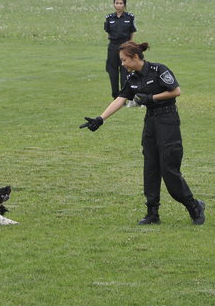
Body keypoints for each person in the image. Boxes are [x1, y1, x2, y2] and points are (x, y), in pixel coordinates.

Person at [80, 41, 206, 225]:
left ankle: (194, 206)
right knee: (150, 168)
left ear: (135, 57)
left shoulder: (158, 70)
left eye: (124, 60)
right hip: (151, 123)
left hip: (167, 121)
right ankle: (152, 214)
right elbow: (120, 99)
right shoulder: (132, 78)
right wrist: (101, 119)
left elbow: (176, 91)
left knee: (169, 169)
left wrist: (151, 98)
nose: (122, 64)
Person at [103, 0, 137, 99]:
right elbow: (108, 32)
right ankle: (115, 96)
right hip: (113, 47)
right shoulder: (109, 18)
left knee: (125, 72)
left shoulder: (130, 17)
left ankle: (124, 96)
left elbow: (132, 33)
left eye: (121, 3)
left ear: (124, 5)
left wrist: (129, 46)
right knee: (112, 72)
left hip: (125, 46)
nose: (119, 5)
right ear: (114, 4)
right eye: (117, 3)